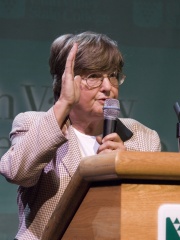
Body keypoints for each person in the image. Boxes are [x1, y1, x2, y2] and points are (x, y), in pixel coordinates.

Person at [0, 31, 161, 240]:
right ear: (66, 82)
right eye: (94, 76)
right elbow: (17, 173)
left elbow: (152, 210)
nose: (107, 87)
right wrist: (64, 104)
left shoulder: (143, 137)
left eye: (112, 75)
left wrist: (128, 167)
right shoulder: (34, 124)